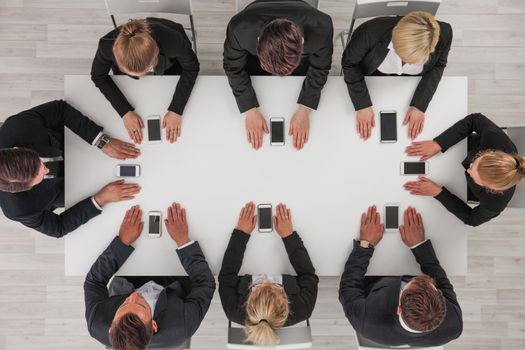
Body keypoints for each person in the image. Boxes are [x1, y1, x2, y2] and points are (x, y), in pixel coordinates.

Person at [0, 100, 141, 238]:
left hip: (71, 144)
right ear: (19, 189)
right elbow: (58, 228)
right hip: (69, 191)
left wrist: (101, 141)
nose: (46, 169)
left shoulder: (17, 127)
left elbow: (60, 109)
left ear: (17, 149)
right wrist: (101, 198)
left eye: (39, 161)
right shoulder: (18, 209)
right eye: (39, 176)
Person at [84, 203, 216, 350]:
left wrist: (122, 242)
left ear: (111, 325)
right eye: (140, 304)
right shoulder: (182, 325)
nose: (133, 296)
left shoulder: (96, 322)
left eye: (124, 304)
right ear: (153, 325)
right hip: (176, 278)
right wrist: (183, 241)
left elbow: (93, 282)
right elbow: (205, 284)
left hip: (130, 277)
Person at [339, 206, 463, 347]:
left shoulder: (365, 321)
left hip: (374, 280)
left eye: (410, 284)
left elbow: (347, 287)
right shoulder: (454, 324)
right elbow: (443, 283)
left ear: (399, 309)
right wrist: (419, 245)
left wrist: (365, 245)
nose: (416, 278)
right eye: (434, 287)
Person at [223, 0, 333, 150]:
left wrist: (305, 109)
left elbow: (321, 67)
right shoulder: (239, 28)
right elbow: (233, 67)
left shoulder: (322, 27)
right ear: (258, 40)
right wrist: (249, 109)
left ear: (301, 42)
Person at [219, 202, 318, 346]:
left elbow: (226, 276)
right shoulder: (303, 309)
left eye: (259, 285)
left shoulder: (233, 311)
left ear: (248, 301)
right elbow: (308, 275)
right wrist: (289, 236)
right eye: (276, 286)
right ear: (286, 301)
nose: (266, 279)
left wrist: (241, 234)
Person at [342, 12, 452, 140]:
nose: (408, 63)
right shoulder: (370, 31)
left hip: (409, 85)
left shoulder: (445, 34)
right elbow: (349, 63)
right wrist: (362, 104)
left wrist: (419, 105)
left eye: (413, 61)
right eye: (403, 56)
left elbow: (438, 65)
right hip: (373, 76)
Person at [91, 18, 200, 144]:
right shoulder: (106, 45)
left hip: (172, 65)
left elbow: (192, 67)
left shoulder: (173, 42)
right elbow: (98, 77)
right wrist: (124, 112)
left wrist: (177, 109)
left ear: (155, 59)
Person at [404, 113, 525, 226]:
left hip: (461, 187)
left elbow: (471, 219)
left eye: (476, 177)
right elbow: (474, 119)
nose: (468, 170)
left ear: (491, 189)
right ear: (489, 153)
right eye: (476, 161)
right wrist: (439, 143)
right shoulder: (496, 139)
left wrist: (438, 193)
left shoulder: (495, 204)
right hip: (464, 147)